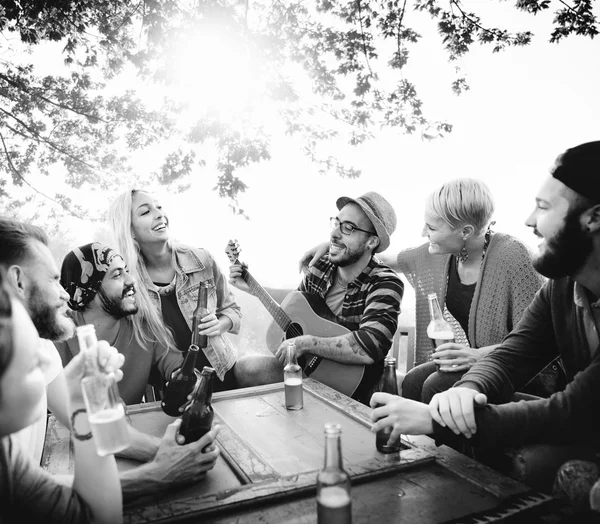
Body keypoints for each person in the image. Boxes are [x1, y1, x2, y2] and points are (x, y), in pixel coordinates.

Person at [370, 140, 600, 492]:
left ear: (594, 218)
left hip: (573, 410)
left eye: (543, 207)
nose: (529, 221)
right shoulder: (561, 286)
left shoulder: (511, 256)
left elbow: (574, 410)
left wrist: (435, 418)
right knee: (434, 383)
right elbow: (513, 354)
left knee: (437, 388)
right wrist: (469, 389)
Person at [0, 217, 220, 501]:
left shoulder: (40, 349)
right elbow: (29, 498)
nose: (64, 293)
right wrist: (158, 475)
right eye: (54, 280)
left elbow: (89, 425)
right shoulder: (52, 345)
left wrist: (170, 453)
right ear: (17, 281)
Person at [300, 179, 550, 403]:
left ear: (465, 232)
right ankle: (423, 452)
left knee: (435, 385)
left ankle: (452, 455)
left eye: (431, 228)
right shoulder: (441, 255)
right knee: (411, 381)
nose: (423, 233)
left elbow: (538, 343)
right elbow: (374, 257)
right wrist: (337, 244)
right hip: (480, 363)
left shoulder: (513, 258)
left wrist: (476, 355)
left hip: (521, 370)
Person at [229, 191, 404, 405]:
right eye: (336, 224)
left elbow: (369, 346)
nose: (334, 234)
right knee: (245, 368)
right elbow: (294, 306)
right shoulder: (321, 267)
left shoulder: (385, 283)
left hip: (354, 391)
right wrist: (253, 287)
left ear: (371, 241)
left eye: (348, 228)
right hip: (307, 374)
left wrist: (307, 343)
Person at [108, 189, 283, 391]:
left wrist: (220, 324)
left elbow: (233, 310)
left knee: (282, 370)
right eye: (145, 212)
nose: (159, 214)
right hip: (177, 388)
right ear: (129, 230)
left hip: (223, 370)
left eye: (159, 207)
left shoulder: (201, 259)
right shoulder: (128, 283)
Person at [0, 268, 124, 523]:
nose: (46, 360)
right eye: (28, 354)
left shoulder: (6, 454)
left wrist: (81, 401)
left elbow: (96, 515)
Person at [56, 242, 184, 405]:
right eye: (117, 275)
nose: (131, 281)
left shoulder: (143, 325)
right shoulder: (59, 335)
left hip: (132, 424)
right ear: (89, 290)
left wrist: (186, 382)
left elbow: (175, 366)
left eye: (127, 272)